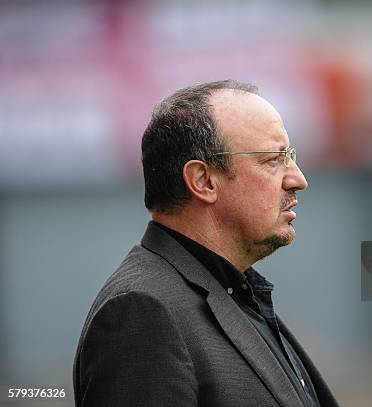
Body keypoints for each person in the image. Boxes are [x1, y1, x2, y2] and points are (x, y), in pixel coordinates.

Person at [73, 80, 339, 407]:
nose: (298, 179)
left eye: (290, 156)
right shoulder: (141, 314)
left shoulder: (235, 294)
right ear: (203, 180)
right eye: (274, 159)